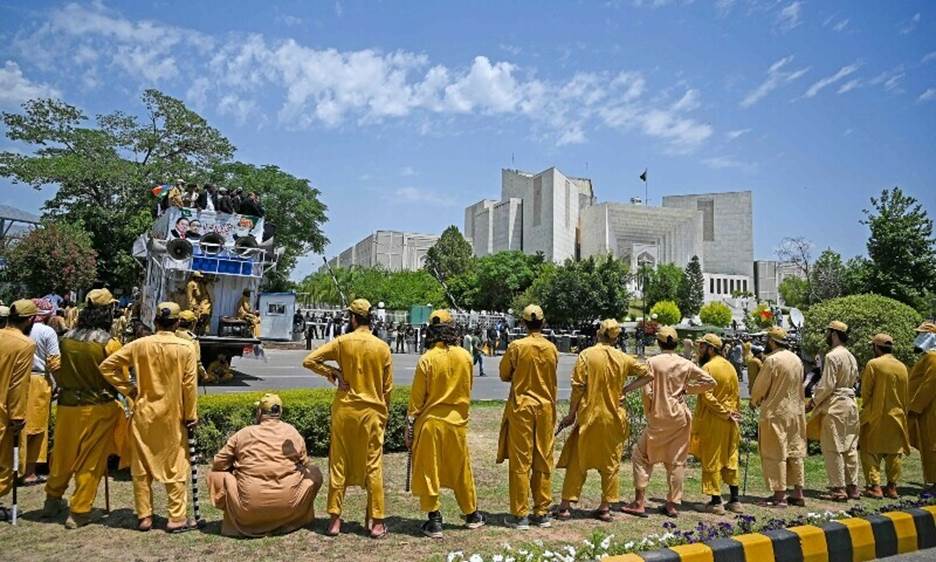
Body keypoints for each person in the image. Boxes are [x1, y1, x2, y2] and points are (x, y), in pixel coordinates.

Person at [99, 302, 199, 532]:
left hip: (143, 414)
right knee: (175, 465)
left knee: (141, 467)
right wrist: (191, 415)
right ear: (177, 323)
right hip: (173, 416)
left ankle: (144, 517)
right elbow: (189, 386)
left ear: (155, 322)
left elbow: (107, 367)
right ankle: (176, 518)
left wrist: (129, 389)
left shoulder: (139, 345)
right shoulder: (186, 348)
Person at [302, 299, 392, 539]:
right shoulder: (382, 347)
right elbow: (388, 389)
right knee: (373, 466)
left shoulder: (342, 342)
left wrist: (333, 372)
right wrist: (385, 414)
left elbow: (309, 360)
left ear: (353, 318)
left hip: (344, 410)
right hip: (372, 413)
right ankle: (378, 522)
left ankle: (334, 520)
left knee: (338, 463)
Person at [42, 289, 126, 528]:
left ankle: (52, 500)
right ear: (106, 311)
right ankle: (79, 512)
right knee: (91, 460)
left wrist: (65, 381)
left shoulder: (66, 337)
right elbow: (118, 375)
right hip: (98, 408)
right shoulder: (109, 343)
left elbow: (54, 364)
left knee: (62, 455)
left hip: (67, 406)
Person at [555, 319, 650, 522]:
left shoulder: (586, 355)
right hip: (614, 418)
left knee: (577, 461)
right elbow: (648, 374)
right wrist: (626, 389)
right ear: (616, 338)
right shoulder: (623, 358)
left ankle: (565, 506)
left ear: (599, 334)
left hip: (589, 416)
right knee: (610, 464)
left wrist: (571, 414)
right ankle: (605, 507)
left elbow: (578, 387)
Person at [406, 310, 484, 538]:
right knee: (461, 470)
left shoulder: (427, 359)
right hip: (457, 423)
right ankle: (472, 515)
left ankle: (435, 520)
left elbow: (416, 401)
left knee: (429, 470)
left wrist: (409, 428)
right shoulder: (465, 357)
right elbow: (467, 389)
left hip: (430, 424)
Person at [622, 326, 714, 519]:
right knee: (677, 461)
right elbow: (710, 382)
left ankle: (639, 502)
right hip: (679, 416)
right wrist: (688, 390)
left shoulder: (652, 362)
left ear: (659, 342)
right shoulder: (685, 363)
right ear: (676, 343)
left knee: (640, 456)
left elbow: (647, 391)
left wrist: (646, 408)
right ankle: (672, 504)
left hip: (658, 415)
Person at [208, 393, 323, 537]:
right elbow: (305, 463)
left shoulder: (243, 434)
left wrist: (234, 468)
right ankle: (291, 521)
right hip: (289, 507)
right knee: (314, 472)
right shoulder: (292, 433)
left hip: (247, 510)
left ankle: (243, 522)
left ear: (259, 412)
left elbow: (218, 463)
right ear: (280, 412)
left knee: (215, 475)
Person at [496, 304, 558, 529]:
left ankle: (519, 514)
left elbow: (504, 374)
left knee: (521, 461)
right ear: (543, 323)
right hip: (545, 409)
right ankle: (542, 511)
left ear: (523, 323)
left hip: (522, 408)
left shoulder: (517, 346)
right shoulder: (552, 348)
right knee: (543, 457)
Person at [750, 326, 807, 508]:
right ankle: (798, 493)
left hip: (775, 413)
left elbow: (760, 388)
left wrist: (754, 401)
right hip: (796, 412)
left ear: (772, 341)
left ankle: (779, 495)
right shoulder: (797, 359)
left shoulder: (772, 360)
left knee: (775, 453)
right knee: (795, 452)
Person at [805, 321, 860, 502]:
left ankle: (838, 488)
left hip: (835, 404)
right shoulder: (851, 356)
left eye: (828, 333)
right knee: (850, 447)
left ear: (834, 334)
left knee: (833, 447)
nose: (827, 336)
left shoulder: (832, 356)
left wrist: (813, 402)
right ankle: (853, 486)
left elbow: (827, 385)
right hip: (851, 404)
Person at [691, 333, 743, 515]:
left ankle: (715, 502)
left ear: (711, 349)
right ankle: (735, 500)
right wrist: (734, 413)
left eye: (703, 347)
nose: (700, 350)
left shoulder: (707, 367)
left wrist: (723, 413)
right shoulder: (731, 367)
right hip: (731, 421)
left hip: (715, 419)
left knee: (712, 458)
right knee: (730, 457)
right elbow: (736, 395)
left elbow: (706, 396)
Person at [859, 333, 910, 499]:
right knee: (894, 453)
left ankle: (875, 487)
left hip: (876, 414)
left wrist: (864, 408)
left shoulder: (873, 364)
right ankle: (892, 487)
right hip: (897, 415)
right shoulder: (902, 367)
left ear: (876, 347)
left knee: (869, 450)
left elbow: (866, 392)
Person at [0, 300, 39, 521]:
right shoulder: (25, 345)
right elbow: (17, 383)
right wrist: (17, 416)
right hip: (4, 413)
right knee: (5, 465)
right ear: (30, 319)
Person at [20, 298, 61, 484]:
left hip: (15, 379)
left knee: (17, 426)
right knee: (36, 429)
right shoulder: (47, 332)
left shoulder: (14, 330)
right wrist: (60, 383)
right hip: (38, 381)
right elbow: (54, 362)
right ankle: (29, 472)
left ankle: (14, 468)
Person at [908, 322, 936, 494]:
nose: (918, 338)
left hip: (930, 410)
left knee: (932, 445)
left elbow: (930, 385)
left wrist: (916, 407)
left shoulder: (933, 358)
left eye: (921, 335)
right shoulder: (927, 357)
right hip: (927, 410)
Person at [176, 310, 208, 384]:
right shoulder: (192, 338)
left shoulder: (172, 333)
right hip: (185, 373)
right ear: (192, 324)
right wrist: (204, 374)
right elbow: (197, 361)